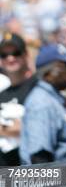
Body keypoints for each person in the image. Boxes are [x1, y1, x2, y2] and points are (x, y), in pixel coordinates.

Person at [19, 44, 66, 165]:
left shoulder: (51, 98)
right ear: (48, 72)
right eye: (65, 66)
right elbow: (39, 158)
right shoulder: (42, 102)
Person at [0, 33, 37, 166]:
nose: (10, 58)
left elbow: (36, 129)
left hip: (33, 171)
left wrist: (5, 130)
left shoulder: (37, 88)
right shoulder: (1, 94)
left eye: (15, 53)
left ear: (25, 55)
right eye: (4, 55)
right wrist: (12, 130)